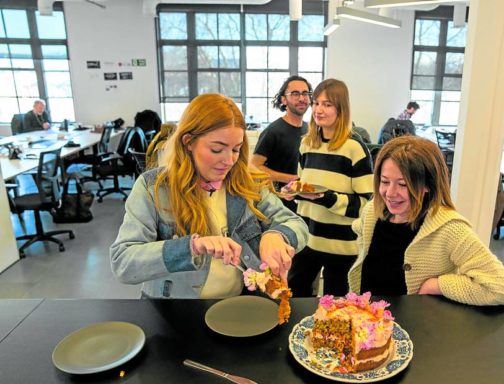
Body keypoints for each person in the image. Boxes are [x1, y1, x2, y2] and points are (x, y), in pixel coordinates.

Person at [110, 94, 309, 299]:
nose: (229, 161)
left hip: (236, 306)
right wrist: (192, 247)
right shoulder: (154, 188)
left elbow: (296, 223)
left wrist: (277, 235)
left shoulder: (248, 183)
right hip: (173, 310)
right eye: (217, 149)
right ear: (188, 142)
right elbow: (123, 263)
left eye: (236, 150)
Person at [348, 136, 504, 306]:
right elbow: (362, 236)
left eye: (403, 184)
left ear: (427, 185)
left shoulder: (449, 228)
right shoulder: (372, 211)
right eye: (385, 182)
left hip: (415, 328)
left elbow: (502, 289)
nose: (390, 193)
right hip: (369, 326)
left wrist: (437, 285)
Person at [287, 79, 374, 297]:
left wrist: (328, 198)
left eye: (327, 104)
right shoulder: (307, 144)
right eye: (316, 103)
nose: (318, 109)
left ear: (341, 108)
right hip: (307, 239)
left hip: (342, 246)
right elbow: (303, 187)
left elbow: (367, 206)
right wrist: (294, 192)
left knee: (336, 308)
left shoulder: (354, 147)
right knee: (295, 296)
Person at [251, 76, 312, 212]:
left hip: (304, 202)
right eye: (295, 94)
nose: (302, 98)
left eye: (305, 93)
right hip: (280, 206)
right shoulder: (273, 131)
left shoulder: (310, 130)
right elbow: (254, 167)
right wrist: (292, 179)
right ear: (284, 99)